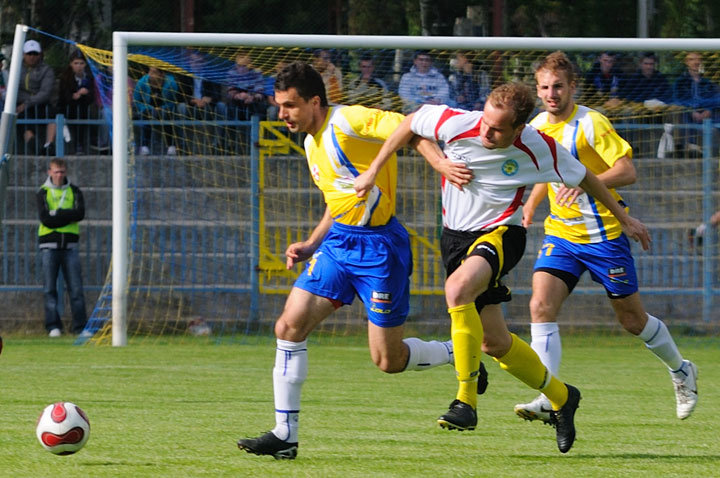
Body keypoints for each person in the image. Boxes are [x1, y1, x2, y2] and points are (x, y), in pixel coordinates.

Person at [354, 81, 651, 454]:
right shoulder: (458, 122)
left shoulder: (538, 146)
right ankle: (563, 397)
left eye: (497, 129)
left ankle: (465, 402)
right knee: (493, 342)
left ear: (519, 129)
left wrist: (623, 218)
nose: (485, 132)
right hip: (454, 238)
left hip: (500, 235)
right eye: (485, 123)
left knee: (458, 290)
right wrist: (433, 161)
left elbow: (586, 177)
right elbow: (410, 124)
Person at [237, 62, 462, 460]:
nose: (282, 114)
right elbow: (338, 200)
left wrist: (440, 163)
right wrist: (311, 242)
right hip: (339, 244)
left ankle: (460, 351)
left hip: (380, 249)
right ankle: (285, 434)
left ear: (315, 102)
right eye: (279, 106)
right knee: (288, 326)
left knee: (388, 361)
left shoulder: (349, 120)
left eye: (289, 106)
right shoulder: (310, 142)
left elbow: (410, 124)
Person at [513, 51, 698, 425]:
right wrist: (530, 207)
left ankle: (681, 370)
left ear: (573, 87)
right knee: (540, 307)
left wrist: (585, 184)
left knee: (632, 321)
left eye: (558, 86)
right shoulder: (535, 127)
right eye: (545, 87)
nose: (551, 94)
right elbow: (545, 173)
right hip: (561, 236)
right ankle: (549, 396)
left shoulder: (592, 123)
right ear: (537, 90)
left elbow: (627, 170)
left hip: (604, 236)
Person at [37, 158, 88, 337]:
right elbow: (45, 218)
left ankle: (80, 327)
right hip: (49, 246)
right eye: (56, 171)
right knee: (50, 288)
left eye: (62, 172)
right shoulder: (43, 192)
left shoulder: (74, 191)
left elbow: (80, 213)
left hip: (70, 246)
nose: (59, 175)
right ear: (49, 172)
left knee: (76, 288)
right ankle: (53, 326)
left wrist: (58, 214)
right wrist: (67, 216)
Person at [672, 51, 720, 154]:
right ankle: (691, 146)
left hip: (707, 114)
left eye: (698, 59)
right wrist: (691, 111)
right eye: (692, 59)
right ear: (686, 62)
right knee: (682, 116)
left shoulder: (707, 83)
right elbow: (677, 100)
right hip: (688, 114)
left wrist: (708, 110)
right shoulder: (680, 82)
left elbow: (716, 98)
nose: (696, 62)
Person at [17, 40, 57, 156]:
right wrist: (26, 102)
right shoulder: (16, 69)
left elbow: (45, 92)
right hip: (22, 105)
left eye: (35, 54)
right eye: (29, 54)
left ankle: (49, 145)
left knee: (52, 113)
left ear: (40, 55)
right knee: (23, 119)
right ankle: (35, 147)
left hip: (40, 104)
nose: (32, 57)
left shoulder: (47, 70)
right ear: (24, 54)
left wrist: (28, 102)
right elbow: (14, 90)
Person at [132, 66, 182, 155]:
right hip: (147, 108)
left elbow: (174, 101)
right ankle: (144, 146)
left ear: (162, 74)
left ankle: (171, 146)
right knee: (146, 114)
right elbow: (136, 100)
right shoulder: (142, 82)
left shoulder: (171, 83)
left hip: (165, 108)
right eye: (150, 72)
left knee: (167, 114)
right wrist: (148, 108)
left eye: (154, 72)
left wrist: (162, 108)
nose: (150, 74)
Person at [57, 50, 98, 154]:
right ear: (71, 64)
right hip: (68, 107)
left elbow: (94, 94)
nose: (79, 66)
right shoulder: (65, 78)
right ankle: (75, 145)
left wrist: (86, 93)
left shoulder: (89, 77)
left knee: (88, 113)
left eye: (81, 63)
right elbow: (63, 96)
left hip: (85, 106)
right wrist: (74, 96)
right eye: (76, 63)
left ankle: (89, 143)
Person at [225, 51, 267, 121]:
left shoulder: (256, 72)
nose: (241, 68)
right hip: (237, 99)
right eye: (239, 65)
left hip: (253, 98)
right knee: (232, 105)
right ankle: (234, 130)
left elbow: (260, 90)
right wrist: (238, 95)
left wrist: (252, 97)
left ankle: (253, 129)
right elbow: (230, 90)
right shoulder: (231, 72)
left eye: (244, 66)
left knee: (258, 105)